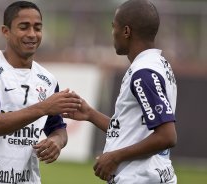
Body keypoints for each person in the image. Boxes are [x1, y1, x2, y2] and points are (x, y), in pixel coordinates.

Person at [0, 1, 82, 183]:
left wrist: (56, 142)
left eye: (37, 28)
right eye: (23, 27)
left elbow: (58, 129)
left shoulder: (47, 80)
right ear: (5, 31)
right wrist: (43, 107)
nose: (32, 34)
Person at [64, 0, 178, 183]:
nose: (112, 33)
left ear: (126, 31)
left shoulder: (143, 74)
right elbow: (130, 132)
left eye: (113, 27)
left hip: (141, 179)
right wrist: (90, 114)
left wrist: (114, 157)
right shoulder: (158, 65)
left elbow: (167, 136)